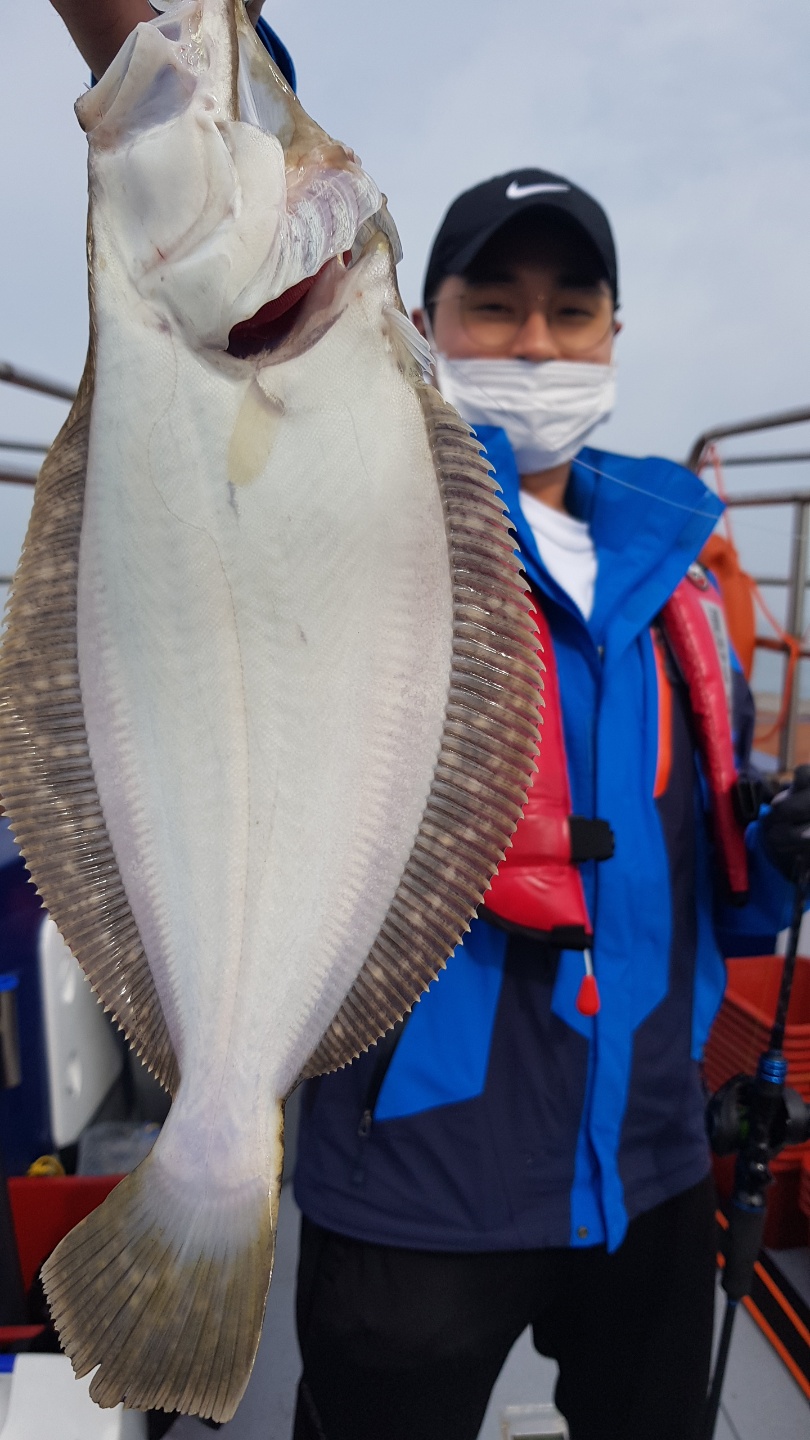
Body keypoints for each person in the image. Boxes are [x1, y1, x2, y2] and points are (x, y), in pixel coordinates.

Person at [290, 170, 810, 1440]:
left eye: (571, 311)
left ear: (614, 337)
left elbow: (704, 870)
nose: (535, 344)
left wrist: (775, 848)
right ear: (424, 323)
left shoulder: (682, 573)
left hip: (648, 1155)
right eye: (495, 306)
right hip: (416, 1168)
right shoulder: (352, 527)